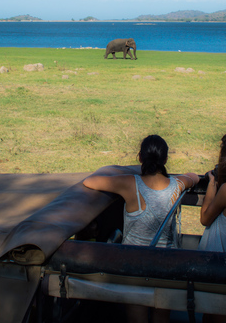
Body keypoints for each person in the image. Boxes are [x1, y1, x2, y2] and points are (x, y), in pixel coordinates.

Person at [83, 134, 198, 322]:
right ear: (166, 159)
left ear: (140, 158)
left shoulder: (130, 183)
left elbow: (89, 181)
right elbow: (193, 177)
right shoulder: (177, 184)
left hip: (134, 265)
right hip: (167, 267)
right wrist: (187, 178)